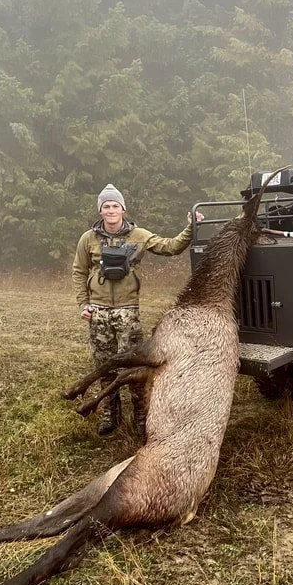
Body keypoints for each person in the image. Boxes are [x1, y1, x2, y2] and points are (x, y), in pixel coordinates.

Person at [72, 183, 203, 436]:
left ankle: (141, 416)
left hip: (128, 311)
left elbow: (171, 246)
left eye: (115, 206)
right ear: (100, 210)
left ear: (123, 209)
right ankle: (111, 415)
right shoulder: (88, 239)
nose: (111, 210)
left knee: (133, 366)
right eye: (106, 206)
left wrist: (191, 227)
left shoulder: (139, 235)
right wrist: (83, 304)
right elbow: (79, 271)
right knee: (104, 365)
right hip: (98, 311)